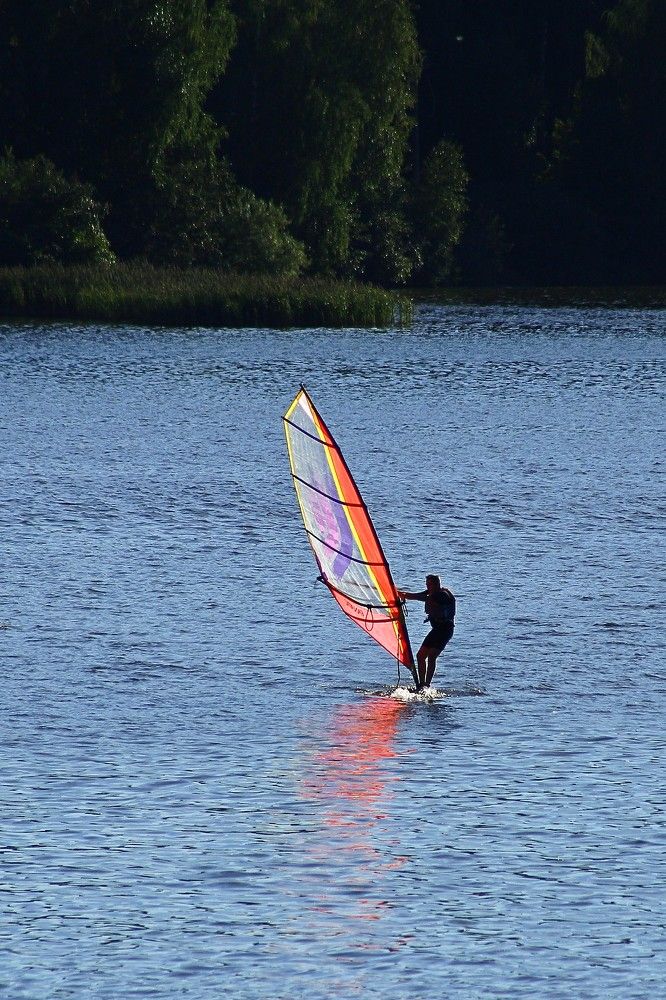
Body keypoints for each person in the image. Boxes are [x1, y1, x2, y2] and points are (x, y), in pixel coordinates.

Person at [397, 574, 455, 691]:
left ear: (437, 584)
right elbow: (419, 595)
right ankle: (421, 684)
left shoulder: (443, 595)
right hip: (436, 630)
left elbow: (424, 598)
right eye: (427, 584)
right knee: (420, 656)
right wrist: (400, 594)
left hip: (445, 630)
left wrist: (405, 595)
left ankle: (427, 685)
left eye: (430, 584)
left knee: (432, 656)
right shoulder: (431, 593)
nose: (428, 587)